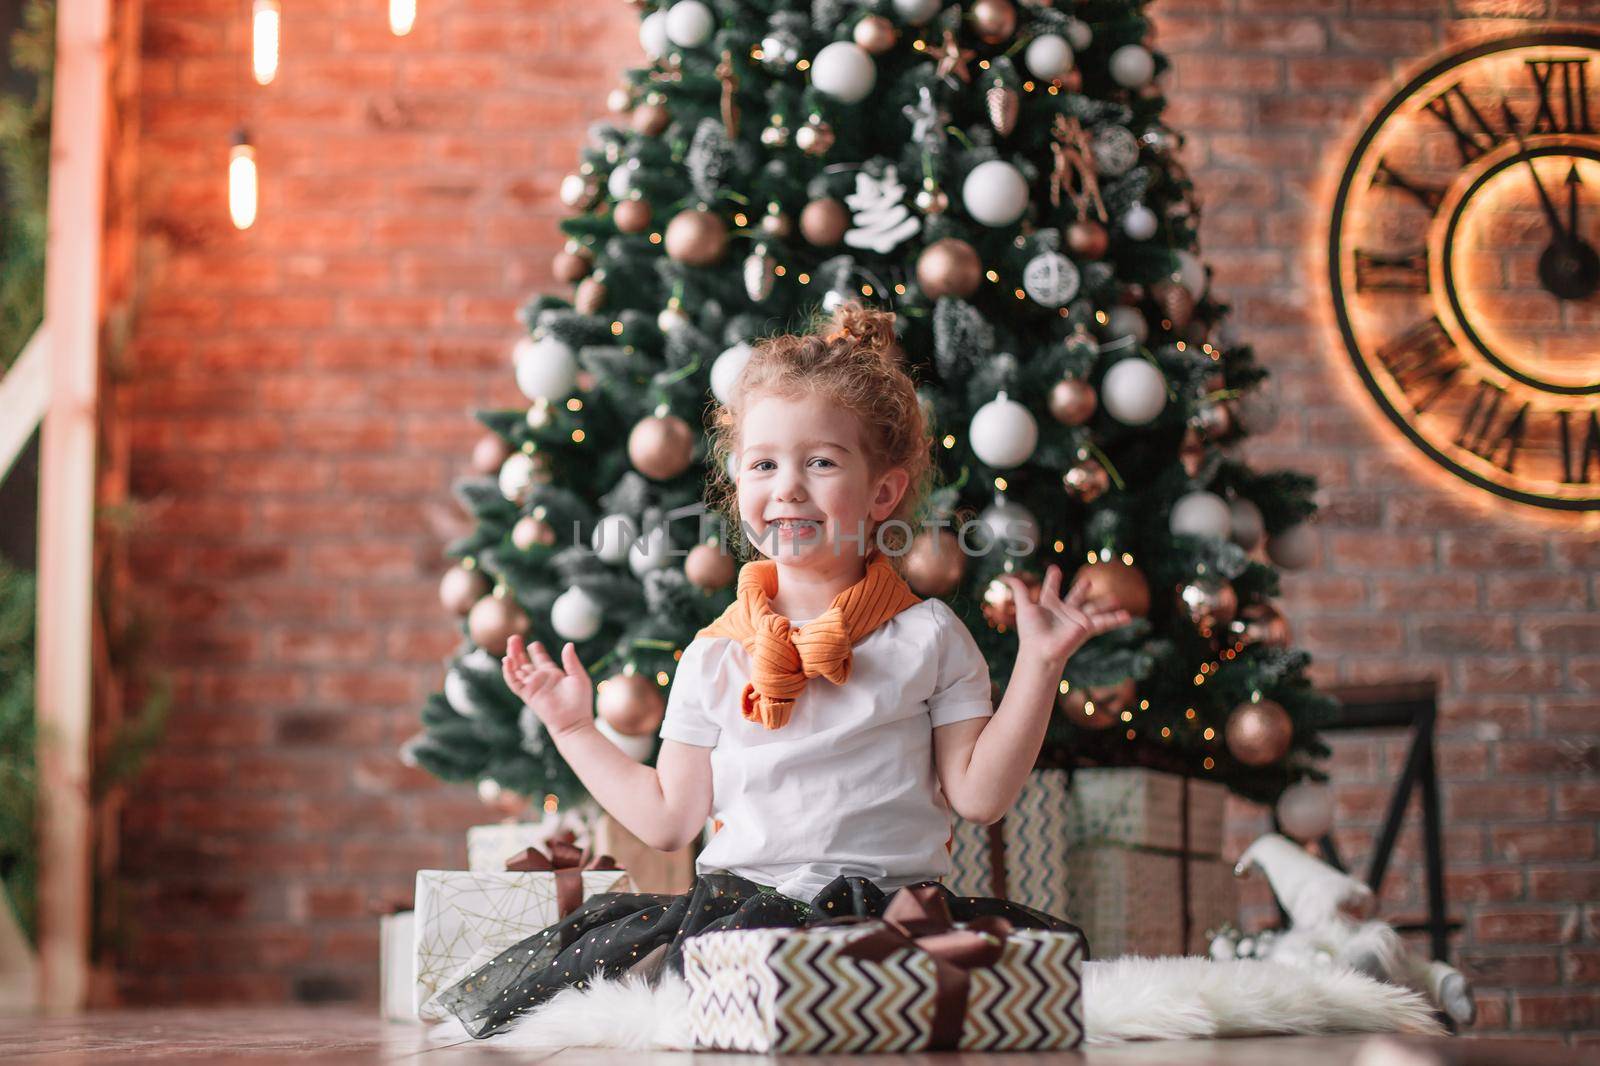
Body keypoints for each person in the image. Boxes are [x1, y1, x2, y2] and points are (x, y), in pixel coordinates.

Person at [436, 303, 1131, 1038]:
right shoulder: (715, 653)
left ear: (884, 493)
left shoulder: (926, 635)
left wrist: (1040, 664)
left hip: (892, 909)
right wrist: (574, 726)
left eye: (821, 462)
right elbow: (670, 820)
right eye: (764, 464)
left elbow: (981, 796)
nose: (788, 487)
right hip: (745, 912)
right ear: (738, 483)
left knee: (987, 991)